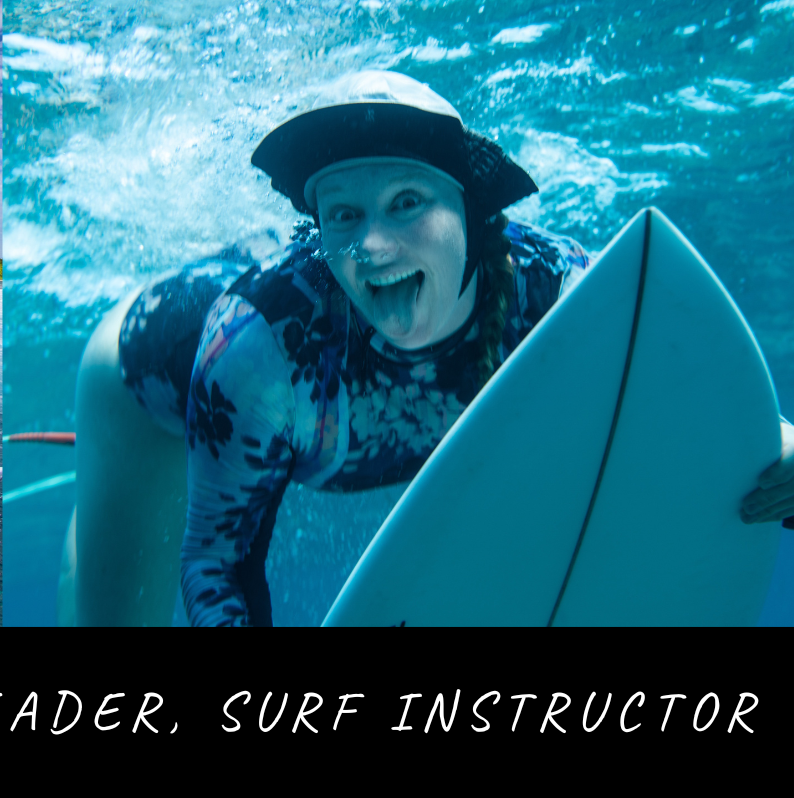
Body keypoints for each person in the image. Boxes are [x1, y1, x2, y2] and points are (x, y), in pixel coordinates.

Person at [61, 70, 794, 627]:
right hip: (138, 381)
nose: (372, 247)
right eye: (342, 214)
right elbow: (216, 560)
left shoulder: (550, 288)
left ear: (473, 214)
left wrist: (781, 442)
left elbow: (669, 372)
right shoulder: (256, 353)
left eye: (406, 202)